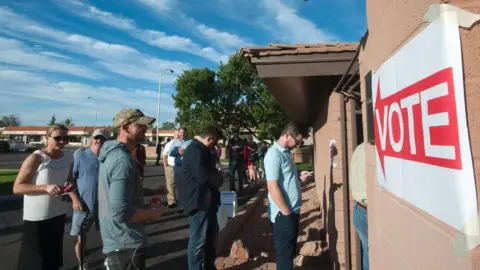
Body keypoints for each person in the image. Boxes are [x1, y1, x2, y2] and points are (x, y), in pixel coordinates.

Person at [98, 108, 168, 270]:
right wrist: (153, 212)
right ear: (125, 127)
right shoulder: (122, 160)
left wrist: (151, 192)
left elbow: (118, 192)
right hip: (125, 243)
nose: (146, 129)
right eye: (140, 125)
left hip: (117, 240)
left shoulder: (112, 154)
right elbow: (121, 212)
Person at [13, 124, 74, 270]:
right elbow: (17, 187)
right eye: (57, 138)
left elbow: (70, 180)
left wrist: (69, 186)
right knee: (34, 261)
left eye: (65, 138)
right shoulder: (36, 158)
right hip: (37, 217)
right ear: (46, 138)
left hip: (57, 213)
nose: (62, 141)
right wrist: (45, 187)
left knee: (52, 259)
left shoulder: (68, 157)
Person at [264, 122, 312, 270]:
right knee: (284, 255)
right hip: (283, 214)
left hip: (290, 212)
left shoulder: (285, 153)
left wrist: (298, 176)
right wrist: (287, 213)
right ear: (287, 135)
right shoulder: (273, 155)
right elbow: (272, 187)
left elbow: (284, 178)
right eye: (297, 141)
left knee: (289, 252)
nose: (298, 144)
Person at [180, 126, 224, 270]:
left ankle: (209, 266)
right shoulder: (195, 150)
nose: (215, 145)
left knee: (210, 239)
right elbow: (204, 176)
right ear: (209, 138)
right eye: (215, 142)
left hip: (209, 201)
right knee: (197, 242)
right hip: (199, 202)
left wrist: (216, 174)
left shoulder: (204, 150)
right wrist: (218, 177)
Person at [70, 128, 110, 270]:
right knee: (81, 237)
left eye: (103, 139)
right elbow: (70, 180)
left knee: (108, 235)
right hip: (83, 206)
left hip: (105, 206)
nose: (99, 140)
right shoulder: (80, 156)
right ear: (92, 139)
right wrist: (75, 199)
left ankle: (108, 260)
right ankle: (82, 264)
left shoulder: (108, 158)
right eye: (97, 137)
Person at [349, 142, 369, 270]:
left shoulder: (360, 148)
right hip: (366, 212)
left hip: (359, 208)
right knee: (371, 255)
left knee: (367, 253)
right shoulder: (373, 152)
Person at [162, 132, 178, 207]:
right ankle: (171, 201)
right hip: (170, 167)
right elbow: (165, 156)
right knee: (170, 185)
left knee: (181, 184)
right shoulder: (169, 144)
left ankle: (182, 201)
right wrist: (165, 167)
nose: (178, 136)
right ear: (174, 135)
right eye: (176, 134)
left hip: (181, 167)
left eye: (179, 134)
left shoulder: (184, 143)